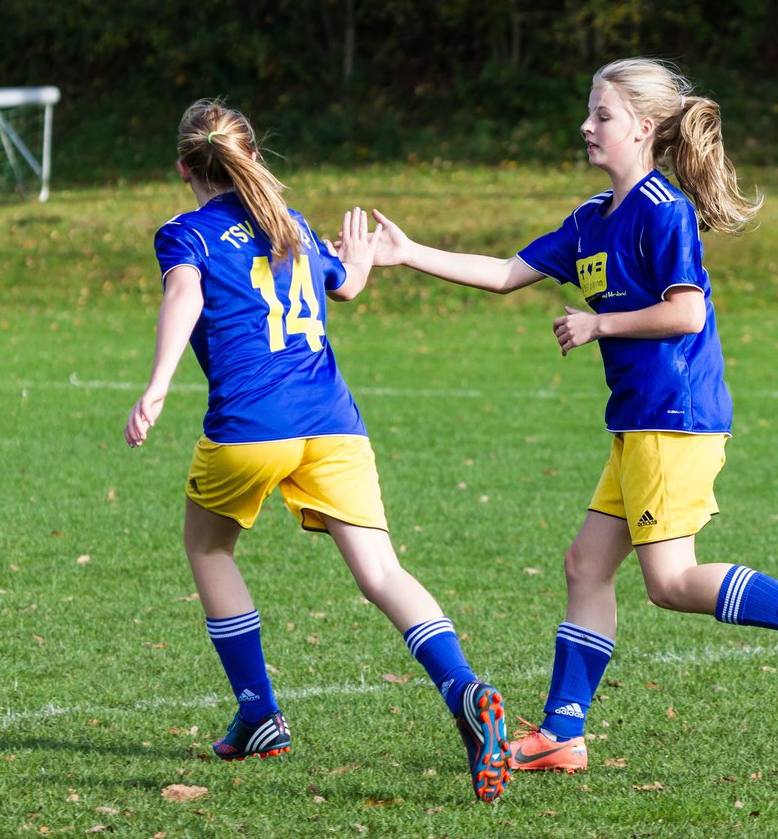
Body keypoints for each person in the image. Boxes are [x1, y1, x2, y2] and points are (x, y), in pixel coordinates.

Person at [362, 58, 778, 775]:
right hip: (640, 422)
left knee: (669, 581)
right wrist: (407, 253)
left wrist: (602, 326)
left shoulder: (664, 208)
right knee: (585, 565)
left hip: (676, 417)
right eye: (589, 113)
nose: (586, 126)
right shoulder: (590, 220)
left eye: (600, 115)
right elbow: (508, 273)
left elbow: (686, 310)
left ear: (642, 128)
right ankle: (564, 733)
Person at [123, 99, 510, 802]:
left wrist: (155, 385)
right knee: (382, 573)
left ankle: (259, 711)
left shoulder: (186, 233)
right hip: (333, 425)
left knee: (209, 551)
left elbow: (182, 294)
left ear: (184, 166)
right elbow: (348, 285)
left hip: (250, 427)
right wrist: (360, 260)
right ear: (250, 157)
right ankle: (466, 689)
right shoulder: (289, 222)